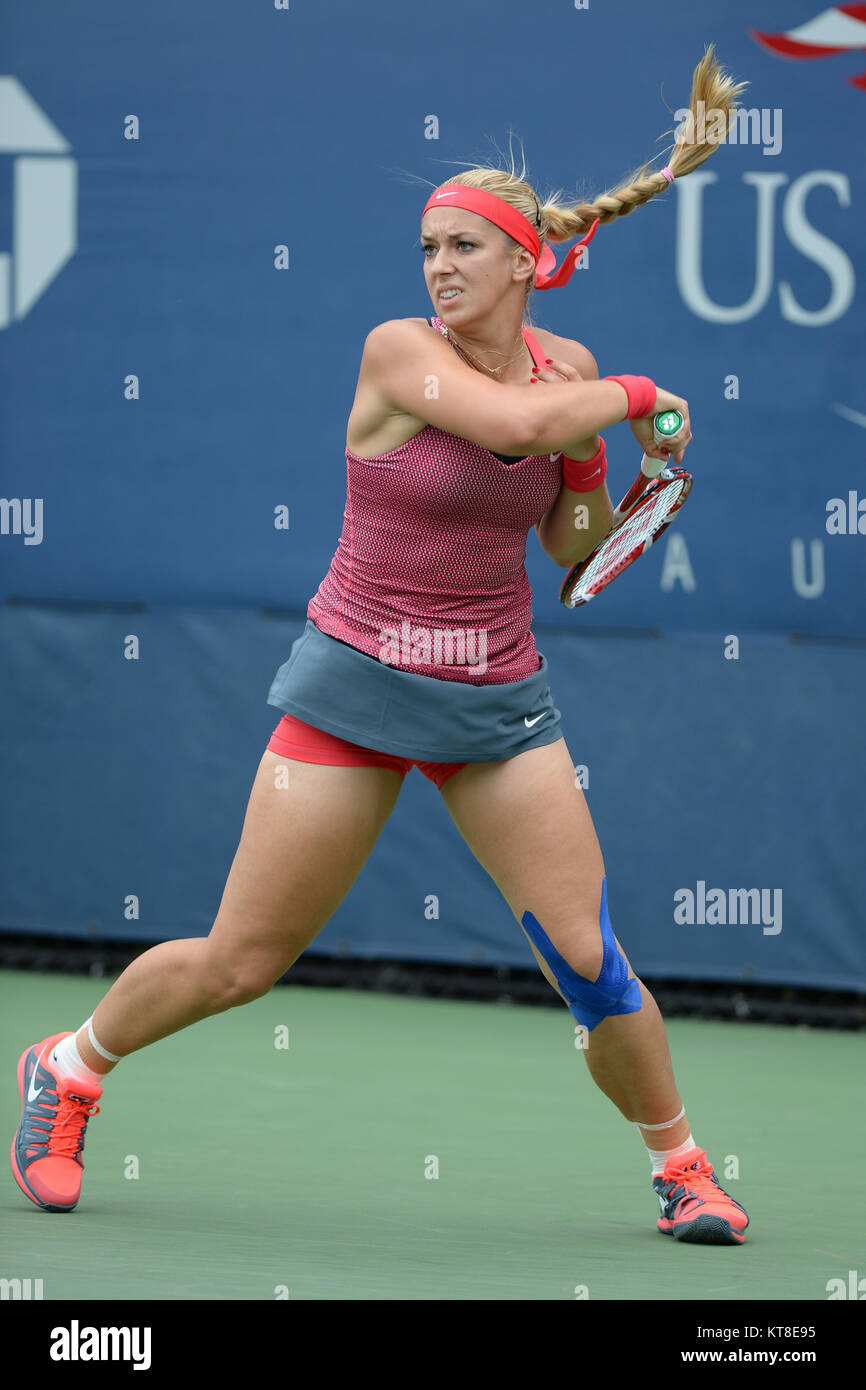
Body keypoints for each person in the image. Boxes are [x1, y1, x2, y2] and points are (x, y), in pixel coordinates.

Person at [12, 48, 751, 1246]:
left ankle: (682, 1169)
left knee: (586, 956)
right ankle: (70, 1064)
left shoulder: (563, 374)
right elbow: (511, 421)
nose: (439, 267)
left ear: (527, 259)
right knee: (242, 961)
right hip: (354, 687)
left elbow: (570, 541)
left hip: (495, 697)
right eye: (427, 248)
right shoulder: (395, 353)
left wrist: (606, 465)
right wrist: (636, 394)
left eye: (463, 245)